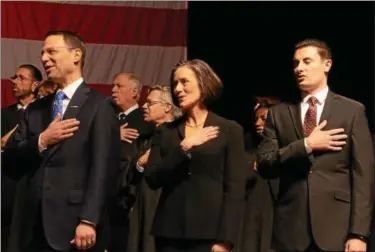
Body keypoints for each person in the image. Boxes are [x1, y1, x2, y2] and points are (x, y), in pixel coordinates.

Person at [2, 30, 120, 251]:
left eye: (51, 51)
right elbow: (9, 158)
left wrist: (89, 220)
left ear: (76, 55)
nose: (44, 59)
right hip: (30, 228)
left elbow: (104, 170)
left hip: (74, 226)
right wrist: (42, 140)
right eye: (42, 53)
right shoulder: (35, 109)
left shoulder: (99, 105)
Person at [257, 39, 374, 252]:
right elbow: (265, 163)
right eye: (295, 63)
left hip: (336, 229)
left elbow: (363, 177)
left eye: (307, 61)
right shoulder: (278, 113)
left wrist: (358, 233)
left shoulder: (352, 111)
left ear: (327, 65)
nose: (299, 68)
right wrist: (306, 145)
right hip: (290, 231)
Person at [144, 59, 248, 252]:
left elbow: (235, 190)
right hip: (169, 234)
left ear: (203, 83)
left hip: (210, 235)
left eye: (184, 82)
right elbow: (152, 178)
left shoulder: (229, 129)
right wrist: (183, 148)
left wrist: (226, 239)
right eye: (175, 83)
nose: (177, 89)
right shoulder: (166, 131)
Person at [126, 85, 181, 252]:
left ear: (167, 107)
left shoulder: (180, 137)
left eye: (150, 103)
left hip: (166, 211)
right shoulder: (145, 138)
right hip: (143, 209)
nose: (144, 106)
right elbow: (129, 175)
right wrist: (140, 163)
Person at [1, 64, 41, 252]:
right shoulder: (3, 114)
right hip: (7, 188)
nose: (15, 82)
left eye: (22, 78)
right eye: (14, 77)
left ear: (35, 85)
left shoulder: (43, 113)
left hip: (33, 187)